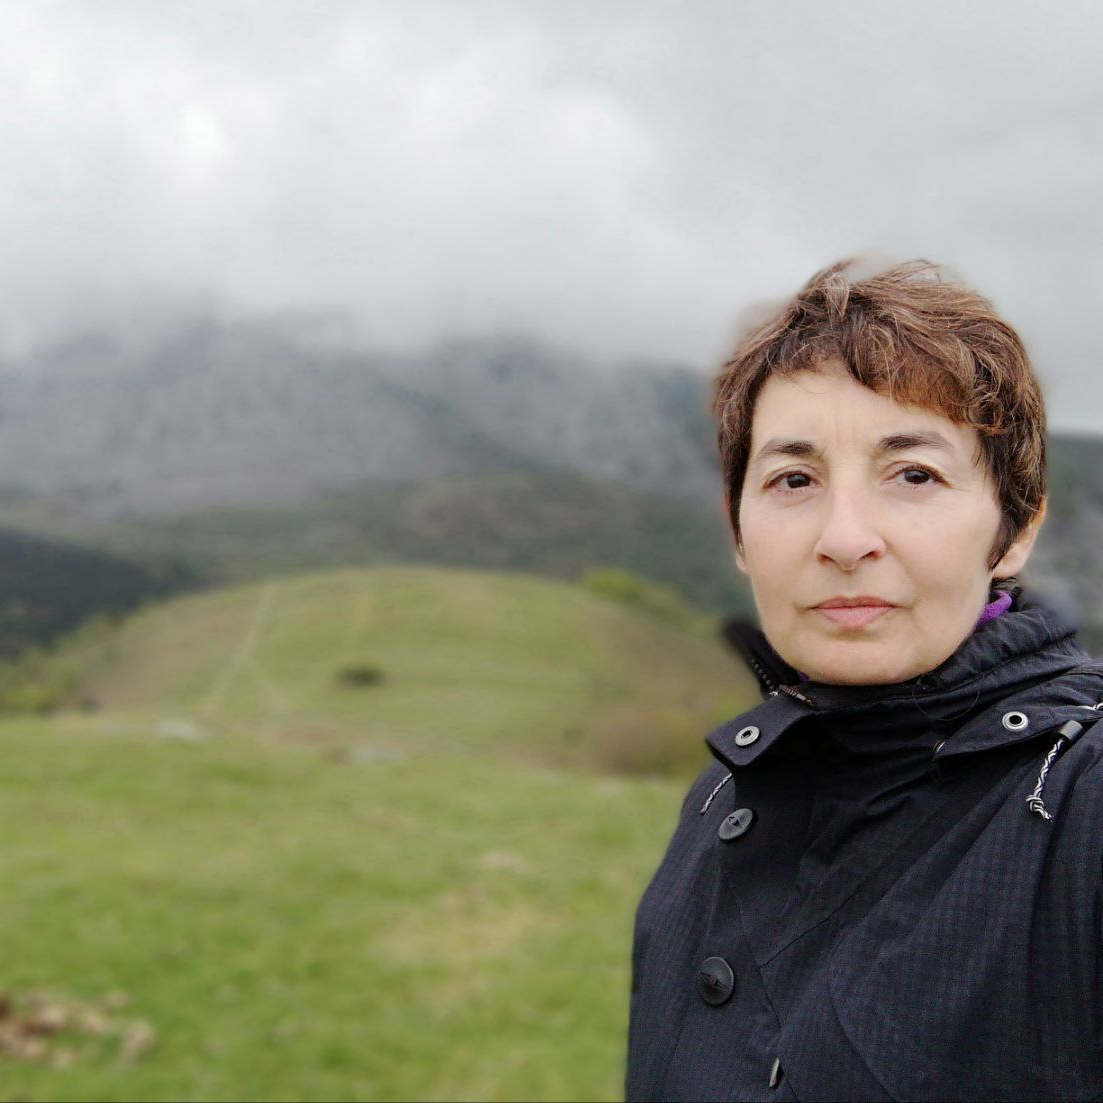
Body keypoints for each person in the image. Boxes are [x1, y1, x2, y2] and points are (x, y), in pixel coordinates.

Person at [625, 259, 1103, 1102]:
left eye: (912, 473)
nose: (844, 538)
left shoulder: (1079, 798)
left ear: (1014, 527)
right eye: (793, 479)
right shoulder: (718, 796)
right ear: (739, 532)